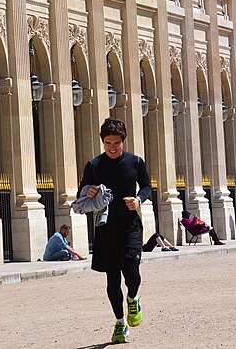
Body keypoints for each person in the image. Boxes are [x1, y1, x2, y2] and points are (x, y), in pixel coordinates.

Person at [79, 118, 150, 344]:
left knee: (131, 271)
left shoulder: (136, 162)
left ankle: (133, 297)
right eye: (108, 142)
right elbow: (83, 189)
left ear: (123, 141)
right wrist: (88, 191)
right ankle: (120, 324)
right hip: (105, 229)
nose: (112, 147)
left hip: (130, 226)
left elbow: (147, 187)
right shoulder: (94, 165)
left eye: (116, 143)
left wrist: (139, 199)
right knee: (111, 281)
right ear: (102, 142)